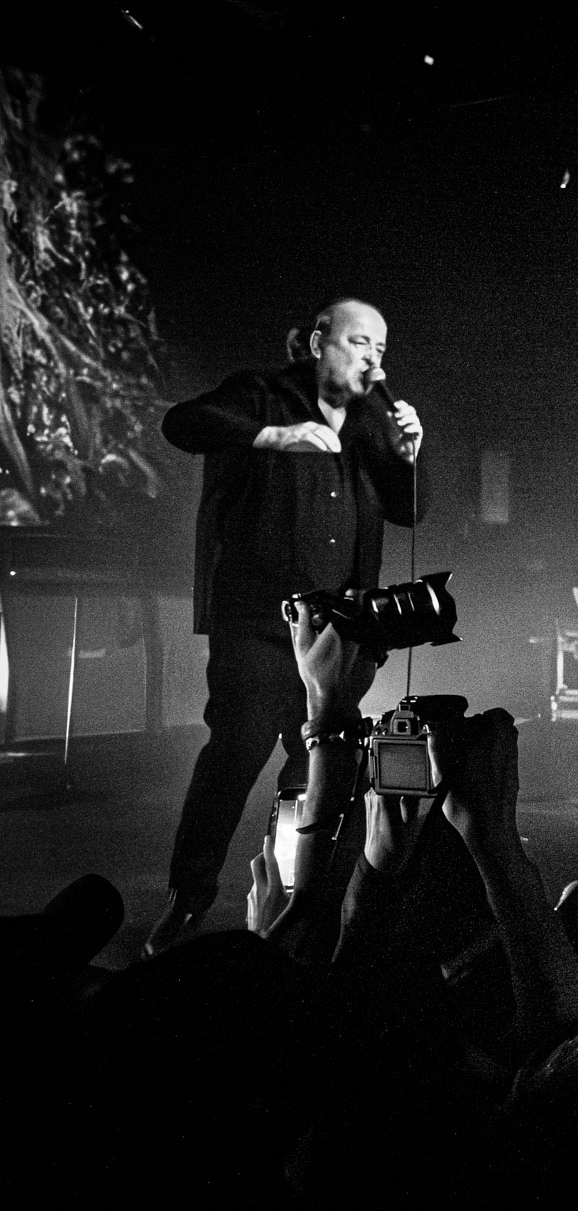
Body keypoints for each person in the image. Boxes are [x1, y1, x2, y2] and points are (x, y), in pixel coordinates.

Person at [144, 298, 426, 957]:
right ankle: (189, 898)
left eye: (380, 349)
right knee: (236, 749)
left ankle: (294, 901)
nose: (372, 359)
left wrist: (412, 456)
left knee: (317, 765)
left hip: (337, 631)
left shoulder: (371, 421)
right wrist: (272, 436)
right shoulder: (262, 395)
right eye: (359, 342)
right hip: (257, 619)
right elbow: (182, 422)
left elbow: (409, 511)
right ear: (319, 342)